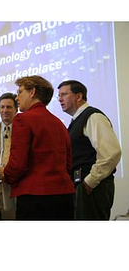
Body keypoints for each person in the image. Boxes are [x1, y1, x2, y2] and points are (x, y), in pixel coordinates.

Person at [0, 75, 75, 220]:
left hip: (35, 198)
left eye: (20, 92)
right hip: (65, 196)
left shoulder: (22, 119)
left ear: (32, 92)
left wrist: (5, 174)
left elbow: (18, 164)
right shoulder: (59, 122)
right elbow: (68, 163)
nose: (17, 98)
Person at [57, 80, 122, 220]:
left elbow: (111, 153)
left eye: (64, 94)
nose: (60, 99)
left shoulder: (93, 117)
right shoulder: (76, 120)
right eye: (59, 96)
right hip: (81, 187)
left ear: (79, 96)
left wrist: (89, 183)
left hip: (92, 188)